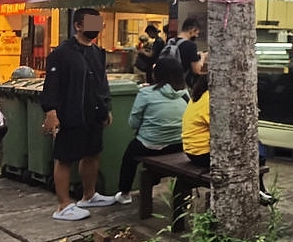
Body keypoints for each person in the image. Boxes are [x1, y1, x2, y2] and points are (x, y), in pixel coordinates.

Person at [41, 8, 116, 221]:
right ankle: (63, 205)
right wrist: (51, 111)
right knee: (64, 157)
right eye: (91, 23)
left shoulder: (97, 52)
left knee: (92, 153)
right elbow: (52, 84)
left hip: (94, 112)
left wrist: (106, 107)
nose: (96, 28)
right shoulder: (61, 53)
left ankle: (89, 195)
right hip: (70, 112)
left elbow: (102, 83)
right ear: (78, 25)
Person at [181, 72, 273, 202]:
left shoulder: (199, 96)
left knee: (255, 148)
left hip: (193, 151)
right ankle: (258, 190)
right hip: (203, 154)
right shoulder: (212, 101)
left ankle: (259, 189)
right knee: (256, 149)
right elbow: (226, 130)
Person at [113, 57, 188, 205]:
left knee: (130, 155)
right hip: (178, 145)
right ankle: (152, 184)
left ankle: (125, 193)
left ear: (157, 74)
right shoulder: (185, 94)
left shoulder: (146, 93)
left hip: (151, 145)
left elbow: (133, 122)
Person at [174, 17, 207, 89]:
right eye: (196, 33)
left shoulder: (171, 41)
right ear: (192, 30)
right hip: (182, 84)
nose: (196, 36)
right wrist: (202, 57)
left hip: (168, 82)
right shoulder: (191, 45)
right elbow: (196, 70)